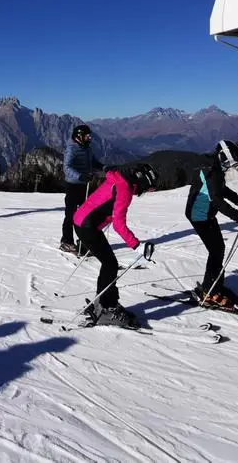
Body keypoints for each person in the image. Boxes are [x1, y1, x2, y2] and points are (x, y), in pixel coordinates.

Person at [72, 163, 159, 328]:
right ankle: (105, 308)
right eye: (147, 188)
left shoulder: (119, 178)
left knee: (109, 264)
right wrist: (137, 246)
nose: (145, 192)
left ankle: (105, 303)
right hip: (87, 226)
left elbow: (106, 198)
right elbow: (119, 225)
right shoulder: (124, 191)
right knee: (110, 264)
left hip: (82, 220)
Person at [184, 139, 238, 308]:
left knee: (218, 250)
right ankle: (209, 292)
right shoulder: (212, 171)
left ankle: (214, 286)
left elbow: (222, 190)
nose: (231, 166)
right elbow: (218, 200)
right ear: (223, 157)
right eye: (230, 162)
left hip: (205, 214)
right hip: (199, 215)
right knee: (216, 251)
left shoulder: (214, 167)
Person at [60, 124, 103, 254]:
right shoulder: (72, 149)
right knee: (71, 215)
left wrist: (104, 167)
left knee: (86, 215)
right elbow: (66, 167)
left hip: (85, 185)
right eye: (87, 136)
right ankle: (66, 242)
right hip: (73, 186)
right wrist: (80, 176)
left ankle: (85, 241)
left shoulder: (87, 149)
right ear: (79, 137)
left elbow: (93, 162)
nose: (89, 138)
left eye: (89, 136)